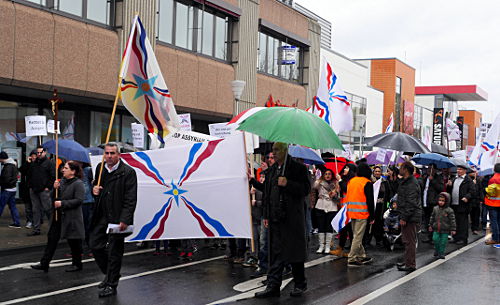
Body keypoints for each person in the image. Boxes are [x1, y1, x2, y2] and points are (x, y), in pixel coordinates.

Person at [251, 142, 310, 298]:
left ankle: (300, 284)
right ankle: (273, 285)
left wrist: (288, 183)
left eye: (277, 150)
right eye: (273, 150)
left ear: (285, 151)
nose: (273, 153)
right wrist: (266, 214)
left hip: (291, 219)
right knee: (275, 254)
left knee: (294, 253)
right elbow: (267, 192)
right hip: (275, 218)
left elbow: (305, 190)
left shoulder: (298, 169)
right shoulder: (271, 171)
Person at [90, 143, 137, 298]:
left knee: (115, 251)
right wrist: (94, 189)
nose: (109, 156)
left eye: (112, 153)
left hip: (117, 217)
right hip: (102, 215)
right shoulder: (100, 168)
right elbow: (97, 187)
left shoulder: (128, 172)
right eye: (107, 153)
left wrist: (125, 219)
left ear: (119, 155)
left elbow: (130, 199)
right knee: (95, 245)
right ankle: (111, 274)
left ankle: (111, 284)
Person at [31, 161, 85, 272]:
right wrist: (54, 188)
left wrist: (63, 203)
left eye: (65, 168)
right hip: (58, 216)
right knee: (52, 238)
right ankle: (44, 263)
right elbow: (53, 197)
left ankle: (77, 264)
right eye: (63, 168)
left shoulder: (78, 183)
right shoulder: (62, 181)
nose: (63, 170)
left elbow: (79, 200)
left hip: (72, 217)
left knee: (74, 241)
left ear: (73, 171)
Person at [346, 162, 374, 267]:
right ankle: (352, 258)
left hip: (351, 212)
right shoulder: (367, 183)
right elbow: (370, 201)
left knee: (356, 236)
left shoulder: (351, 181)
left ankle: (361, 255)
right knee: (358, 236)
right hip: (362, 213)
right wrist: (372, 216)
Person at [396, 161, 422, 272]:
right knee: (406, 240)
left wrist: (404, 217)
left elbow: (411, 203)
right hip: (407, 214)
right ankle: (408, 261)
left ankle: (410, 264)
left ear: (406, 169)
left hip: (410, 217)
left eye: (401, 167)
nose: (399, 169)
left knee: (409, 241)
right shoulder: (406, 181)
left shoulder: (411, 183)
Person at [27, 146, 55, 236]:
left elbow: (53, 176)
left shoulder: (49, 163)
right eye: (37, 152)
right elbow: (28, 174)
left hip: (44, 190)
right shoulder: (34, 163)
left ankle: (53, 228)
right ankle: (36, 229)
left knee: (48, 209)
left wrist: (48, 187)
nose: (38, 154)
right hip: (34, 189)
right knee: (35, 210)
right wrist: (30, 186)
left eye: (40, 152)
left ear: (45, 152)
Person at [329, 163, 356, 257]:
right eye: (345, 168)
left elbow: (347, 189)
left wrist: (340, 180)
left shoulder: (352, 180)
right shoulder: (343, 180)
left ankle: (353, 251)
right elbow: (341, 194)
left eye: (347, 168)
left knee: (351, 231)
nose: (344, 169)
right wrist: (335, 193)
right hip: (343, 208)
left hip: (351, 209)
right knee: (343, 229)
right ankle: (340, 248)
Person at [312, 169, 339, 254]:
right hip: (321, 205)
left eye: (329, 174)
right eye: (326, 174)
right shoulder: (319, 182)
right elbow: (314, 186)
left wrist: (338, 182)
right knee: (321, 226)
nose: (327, 175)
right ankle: (321, 246)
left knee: (329, 226)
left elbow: (339, 195)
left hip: (331, 206)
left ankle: (327, 246)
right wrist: (317, 177)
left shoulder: (335, 184)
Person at [446, 165, 474, 245]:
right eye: (458, 169)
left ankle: (463, 238)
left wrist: (467, 197)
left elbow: (472, 191)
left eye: (460, 169)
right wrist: (449, 185)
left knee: (463, 222)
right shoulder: (454, 179)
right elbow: (449, 190)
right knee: (455, 222)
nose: (458, 171)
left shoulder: (468, 180)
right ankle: (455, 237)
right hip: (454, 203)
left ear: (465, 171)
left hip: (463, 204)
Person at [420, 164, 444, 243]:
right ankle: (429, 236)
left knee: (434, 221)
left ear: (435, 170)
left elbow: (440, 188)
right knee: (427, 220)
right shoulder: (425, 177)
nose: (429, 170)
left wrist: (433, 180)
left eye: (431, 169)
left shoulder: (438, 178)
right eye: (428, 168)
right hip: (425, 201)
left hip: (433, 202)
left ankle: (434, 237)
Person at [429, 192, 456, 259]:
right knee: (435, 239)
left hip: (445, 229)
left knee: (443, 242)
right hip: (436, 228)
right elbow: (432, 217)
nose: (440, 202)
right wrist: (430, 225)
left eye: (443, 201)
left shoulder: (449, 210)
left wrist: (453, 229)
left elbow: (452, 220)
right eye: (439, 200)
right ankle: (437, 250)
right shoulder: (435, 208)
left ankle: (441, 253)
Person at [0, 151, 21, 228]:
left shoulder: (8, 166)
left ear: (2, 159)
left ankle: (17, 222)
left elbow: (6, 179)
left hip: (7, 190)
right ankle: (17, 222)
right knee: (13, 206)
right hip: (13, 189)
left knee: (1, 206)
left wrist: (1, 183)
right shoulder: (13, 165)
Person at [19, 150, 37, 228]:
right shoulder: (28, 164)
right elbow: (22, 170)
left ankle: (36, 221)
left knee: (36, 207)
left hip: (36, 189)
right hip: (27, 189)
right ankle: (29, 221)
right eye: (32, 155)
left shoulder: (39, 164)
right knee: (28, 207)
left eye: (35, 155)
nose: (33, 157)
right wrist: (27, 162)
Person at [484, 163, 500, 245]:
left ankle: (495, 238)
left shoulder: (493, 179)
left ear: (494, 169)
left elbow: (491, 192)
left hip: (493, 204)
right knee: (499, 221)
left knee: (494, 222)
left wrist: (485, 189)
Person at [468, 170, 481, 235]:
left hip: (477, 200)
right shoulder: (468, 180)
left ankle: (475, 228)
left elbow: (480, 189)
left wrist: (481, 199)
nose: (474, 173)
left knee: (476, 215)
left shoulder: (478, 180)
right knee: (471, 215)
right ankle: (472, 227)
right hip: (470, 200)